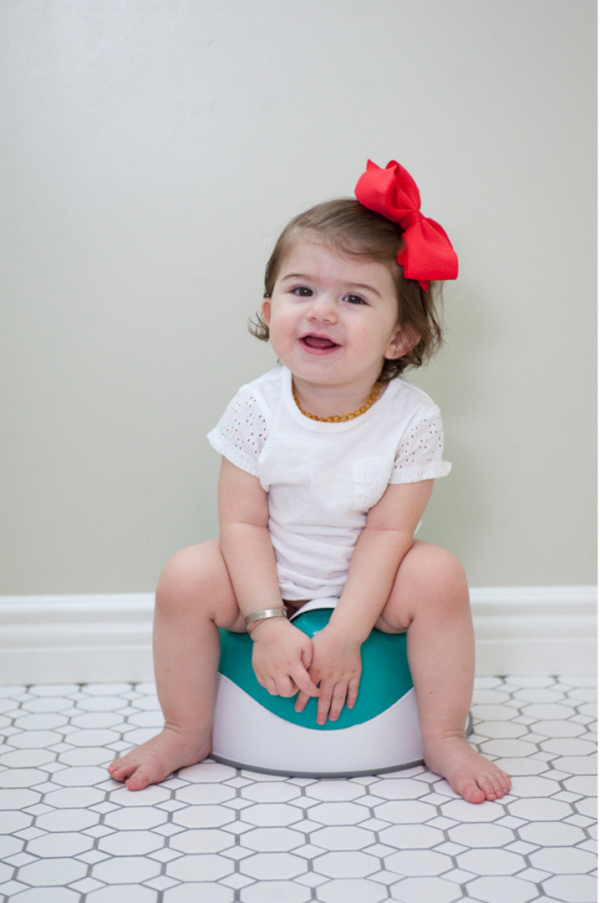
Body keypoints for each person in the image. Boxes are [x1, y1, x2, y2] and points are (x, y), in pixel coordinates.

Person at [108, 160, 511, 803]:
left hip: (367, 593)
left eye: (353, 298)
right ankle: (185, 727)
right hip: (264, 584)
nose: (322, 312)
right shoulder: (256, 407)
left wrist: (347, 632)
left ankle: (443, 735)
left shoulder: (412, 418)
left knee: (438, 574)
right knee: (186, 575)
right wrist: (268, 622)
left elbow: (388, 533)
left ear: (400, 336)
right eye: (302, 292)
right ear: (270, 311)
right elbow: (241, 523)